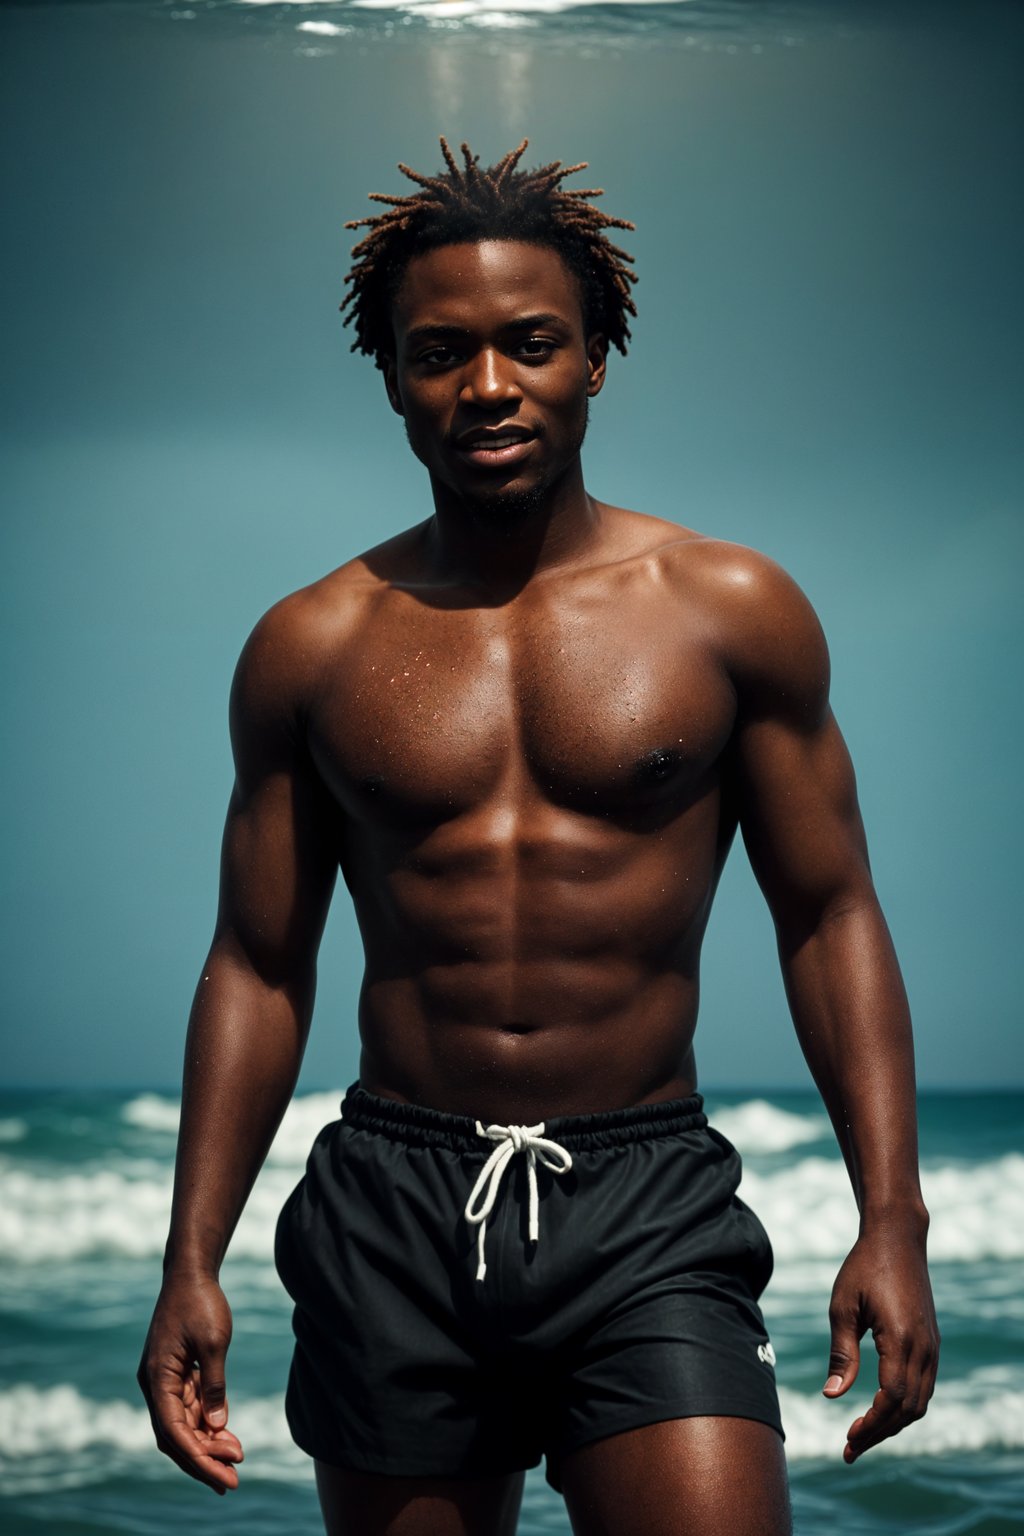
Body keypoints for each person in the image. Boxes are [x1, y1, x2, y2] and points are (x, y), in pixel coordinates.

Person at [138, 139, 939, 1536]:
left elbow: (829, 914)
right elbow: (260, 967)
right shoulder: (311, 647)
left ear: (595, 358)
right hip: (392, 1201)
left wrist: (894, 1218)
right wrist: (187, 1260)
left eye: (531, 345)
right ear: (392, 376)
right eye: (440, 353)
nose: (488, 387)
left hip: (645, 1201)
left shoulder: (728, 611)